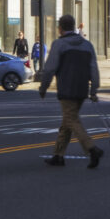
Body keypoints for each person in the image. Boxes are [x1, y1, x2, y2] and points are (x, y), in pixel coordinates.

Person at [35, 14, 102, 170]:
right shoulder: (87, 45)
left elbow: (50, 68)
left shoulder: (60, 44)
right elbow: (94, 69)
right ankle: (58, 156)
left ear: (60, 28)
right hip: (82, 89)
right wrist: (94, 90)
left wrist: (43, 88)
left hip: (66, 88)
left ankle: (92, 148)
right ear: (73, 27)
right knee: (67, 121)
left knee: (71, 120)